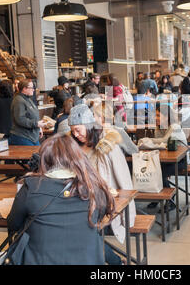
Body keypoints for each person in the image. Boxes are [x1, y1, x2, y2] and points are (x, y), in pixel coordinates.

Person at [7, 133, 115, 265]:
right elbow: (99, 217)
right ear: (76, 157)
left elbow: (13, 224)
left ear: (44, 159)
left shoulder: (31, 187)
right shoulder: (94, 187)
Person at [68, 104, 136, 265]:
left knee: (81, 230)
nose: (75, 135)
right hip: (79, 198)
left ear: (89, 126)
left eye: (78, 130)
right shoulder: (73, 146)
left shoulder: (108, 147)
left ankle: (115, 262)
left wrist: (128, 210)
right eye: (72, 131)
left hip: (102, 202)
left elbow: (124, 181)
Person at [9, 79, 45, 146]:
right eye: (31, 88)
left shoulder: (28, 99)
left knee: (39, 154)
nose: (33, 90)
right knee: (35, 155)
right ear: (24, 89)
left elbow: (33, 115)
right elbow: (20, 120)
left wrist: (39, 128)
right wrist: (36, 124)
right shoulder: (19, 101)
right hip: (23, 136)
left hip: (32, 136)